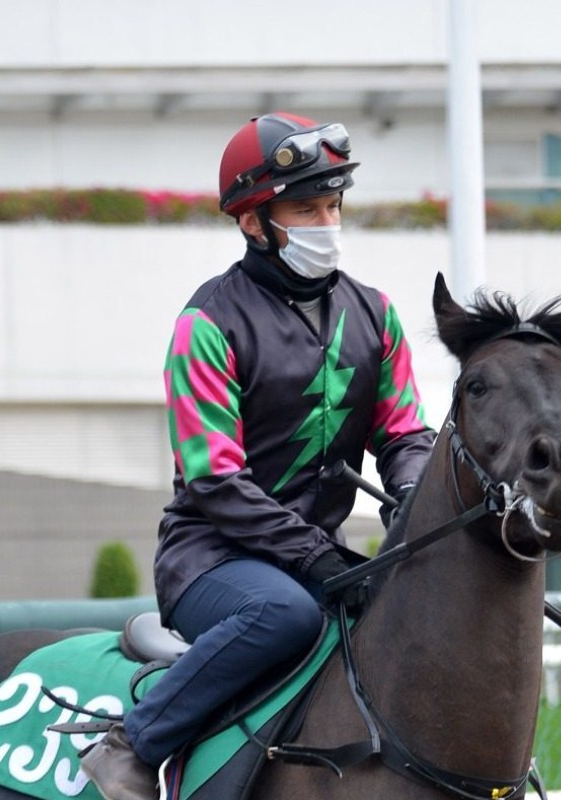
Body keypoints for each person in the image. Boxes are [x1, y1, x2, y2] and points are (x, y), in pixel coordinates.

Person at [80, 111, 436, 800]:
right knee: (287, 615)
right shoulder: (206, 324)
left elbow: (403, 436)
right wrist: (321, 559)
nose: (326, 224)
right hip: (212, 561)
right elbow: (216, 482)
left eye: (333, 205)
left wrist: (414, 507)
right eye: (306, 208)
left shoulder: (376, 315)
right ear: (253, 221)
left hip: (315, 562)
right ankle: (131, 743)